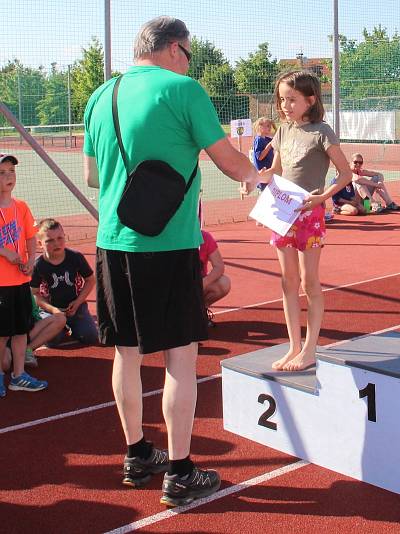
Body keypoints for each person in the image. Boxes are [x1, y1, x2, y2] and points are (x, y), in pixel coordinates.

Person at [83, 17, 260, 506]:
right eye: (188, 53)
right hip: (167, 243)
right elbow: (230, 162)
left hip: (113, 242)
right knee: (180, 356)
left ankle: (137, 454)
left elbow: (94, 176)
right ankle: (180, 470)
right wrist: (258, 177)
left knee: (126, 352)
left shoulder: (102, 95)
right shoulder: (184, 89)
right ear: (175, 49)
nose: (189, 61)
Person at [248, 70, 351, 371]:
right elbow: (275, 173)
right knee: (287, 281)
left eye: (291, 99)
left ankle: (310, 348)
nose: (285, 106)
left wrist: (323, 198)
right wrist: (253, 178)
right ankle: (293, 345)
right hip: (283, 213)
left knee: (309, 281)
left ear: (310, 99)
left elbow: (345, 173)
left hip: (310, 215)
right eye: (281, 100)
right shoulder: (282, 131)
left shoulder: (323, 132)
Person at [0, 153, 48, 397]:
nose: (9, 176)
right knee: (2, 333)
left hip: (19, 280)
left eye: (11, 171)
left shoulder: (21, 207)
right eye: (2, 173)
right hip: (1, 283)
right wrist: (4, 252)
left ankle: (18, 376)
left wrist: (30, 259)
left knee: (20, 331)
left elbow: (30, 236)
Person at [30, 218, 99, 347]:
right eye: (50, 240)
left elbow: (90, 280)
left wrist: (78, 302)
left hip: (75, 307)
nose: (56, 243)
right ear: (40, 244)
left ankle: (72, 325)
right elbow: (35, 293)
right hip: (51, 311)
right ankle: (59, 328)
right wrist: (53, 310)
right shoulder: (38, 265)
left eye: (60, 238)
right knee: (53, 341)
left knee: (90, 337)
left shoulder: (75, 257)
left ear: (65, 237)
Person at [2, 293, 67, 371]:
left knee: (60, 319)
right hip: (4, 338)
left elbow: (33, 312)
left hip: (23, 333)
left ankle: (27, 350)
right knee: (5, 365)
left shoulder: (23, 288)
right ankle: (15, 354)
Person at [198, 229, 230, 325]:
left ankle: (200, 311)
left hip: (199, 285)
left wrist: (202, 283)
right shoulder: (175, 237)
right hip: (178, 288)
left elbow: (219, 267)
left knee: (224, 283)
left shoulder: (205, 237)